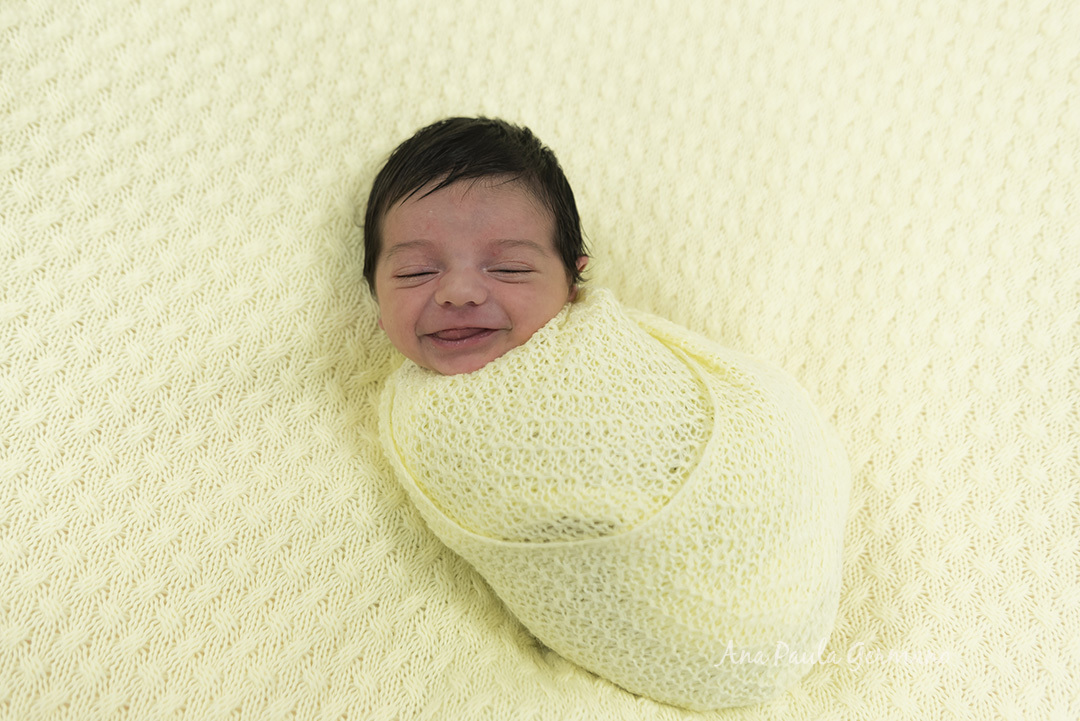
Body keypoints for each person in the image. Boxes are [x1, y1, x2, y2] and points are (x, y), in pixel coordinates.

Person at [363, 116, 588, 375]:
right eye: (416, 272)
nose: (459, 292)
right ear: (378, 299)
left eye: (509, 269)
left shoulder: (599, 362)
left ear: (571, 282)